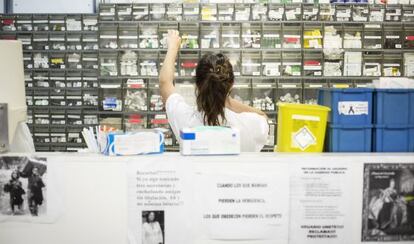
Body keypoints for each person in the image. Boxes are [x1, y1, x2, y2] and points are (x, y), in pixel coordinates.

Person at [159, 30, 269, 152]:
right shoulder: (250, 124)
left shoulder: (185, 120)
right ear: (231, 85)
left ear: (197, 85)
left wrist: (173, 47)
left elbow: (165, 82)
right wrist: (225, 100)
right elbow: (262, 116)